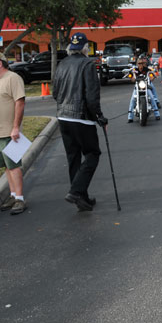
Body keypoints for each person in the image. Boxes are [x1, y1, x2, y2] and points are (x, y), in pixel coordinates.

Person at [52, 32, 108, 212]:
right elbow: (92, 97)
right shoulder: (87, 64)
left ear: (70, 48)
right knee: (92, 154)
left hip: (63, 116)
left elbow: (55, 93)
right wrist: (99, 116)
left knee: (73, 157)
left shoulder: (62, 64)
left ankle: (81, 198)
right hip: (81, 117)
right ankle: (76, 191)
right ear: (85, 48)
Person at [0, 51, 27, 215]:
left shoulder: (12, 78)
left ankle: (20, 199)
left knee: (13, 166)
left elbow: (20, 102)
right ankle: (13, 194)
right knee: (6, 167)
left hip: (9, 132)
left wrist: (15, 127)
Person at [127, 56, 161, 122]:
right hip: (137, 87)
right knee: (132, 99)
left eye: (142, 63)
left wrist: (154, 76)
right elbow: (132, 78)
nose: (140, 65)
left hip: (146, 87)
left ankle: (157, 114)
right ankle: (130, 117)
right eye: (139, 63)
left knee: (152, 97)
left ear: (144, 64)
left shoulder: (147, 70)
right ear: (137, 64)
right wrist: (131, 77)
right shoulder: (135, 70)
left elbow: (151, 77)